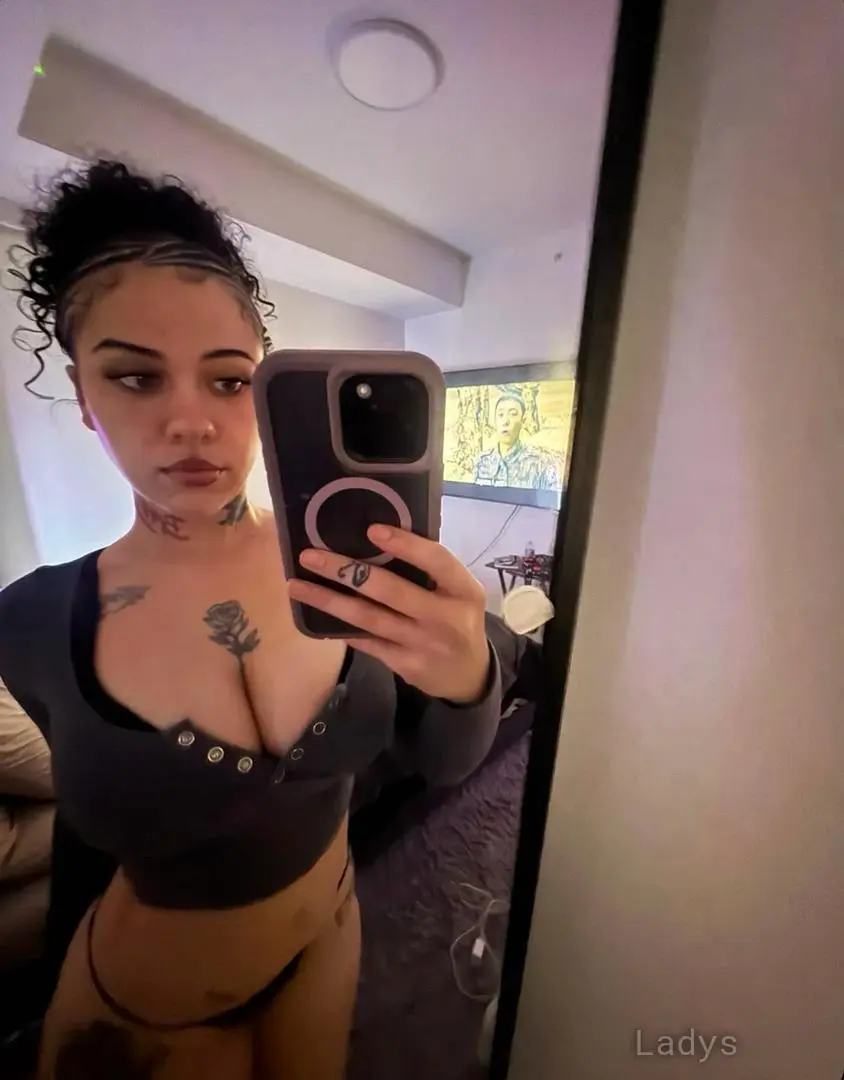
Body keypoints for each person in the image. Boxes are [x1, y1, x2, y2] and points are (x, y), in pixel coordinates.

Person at [0, 161, 533, 1080]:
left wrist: (469, 680)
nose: (191, 422)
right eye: (135, 377)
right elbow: (91, 842)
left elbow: (446, 764)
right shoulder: (31, 621)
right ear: (85, 397)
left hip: (331, 939)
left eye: (228, 381)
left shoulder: (346, 565)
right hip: (149, 1015)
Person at [473, 390, 560, 490]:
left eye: (513, 414)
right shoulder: (482, 461)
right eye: (500, 415)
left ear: (523, 420)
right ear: (495, 421)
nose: (505, 421)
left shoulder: (541, 464)